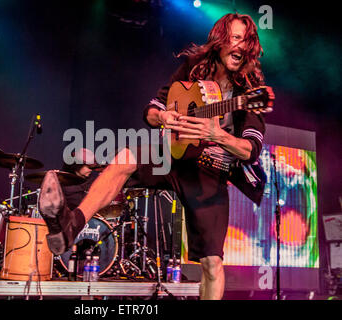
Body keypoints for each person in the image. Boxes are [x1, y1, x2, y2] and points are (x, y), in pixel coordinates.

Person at [39, 13, 273, 300]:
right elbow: (152, 108)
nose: (240, 45)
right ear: (221, 40)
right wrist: (164, 115)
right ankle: (70, 225)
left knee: (212, 264)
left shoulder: (249, 91)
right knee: (125, 156)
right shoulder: (193, 68)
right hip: (174, 157)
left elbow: (251, 150)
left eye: (247, 40)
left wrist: (219, 135)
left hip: (210, 172)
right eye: (235, 37)